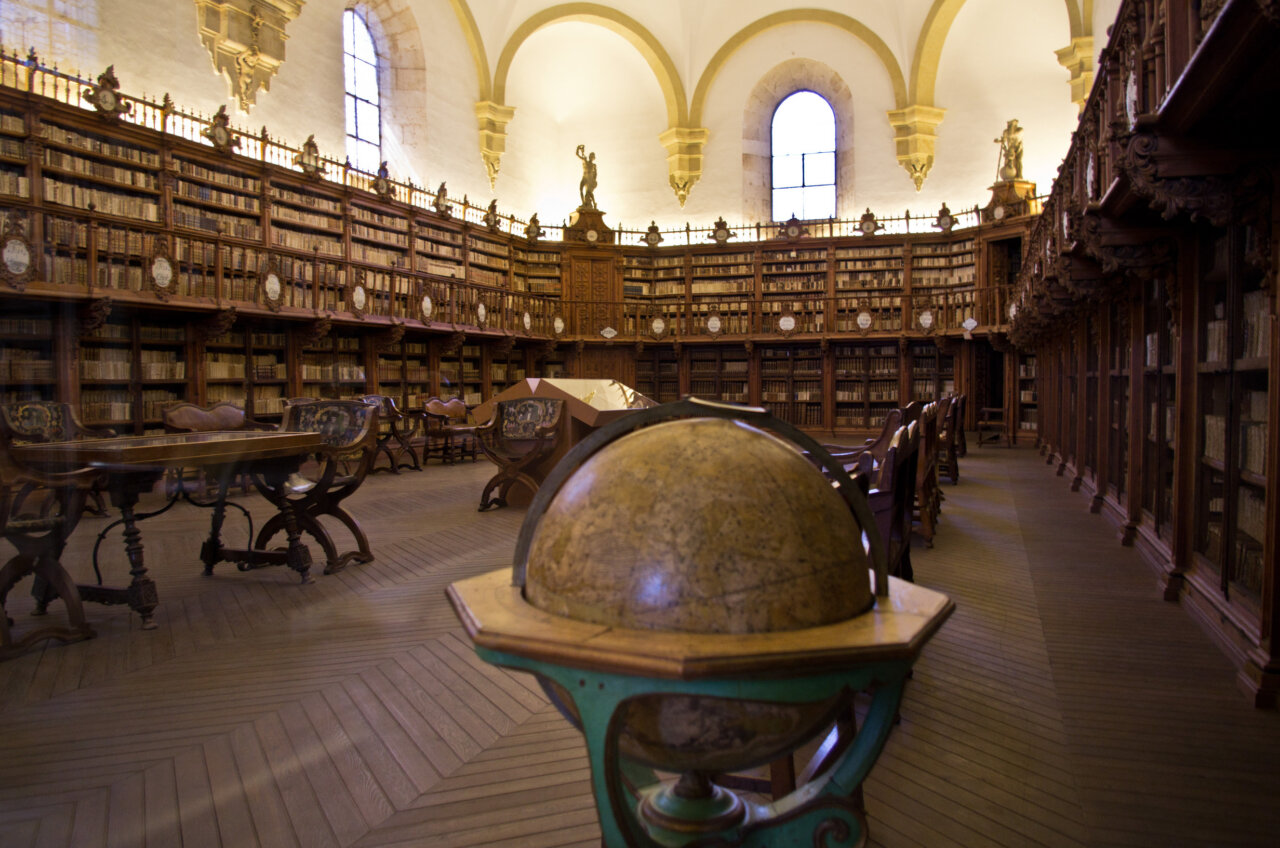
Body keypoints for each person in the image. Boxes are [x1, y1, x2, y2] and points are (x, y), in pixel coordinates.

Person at [576, 144, 597, 209]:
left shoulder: (593, 165)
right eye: (590, 156)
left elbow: (595, 174)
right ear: (589, 156)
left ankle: (594, 203)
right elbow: (577, 154)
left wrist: (594, 180)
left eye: (592, 156)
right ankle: (583, 203)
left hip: (590, 178)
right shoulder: (585, 160)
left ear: (593, 158)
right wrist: (578, 148)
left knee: (589, 192)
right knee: (581, 189)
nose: (591, 157)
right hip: (584, 177)